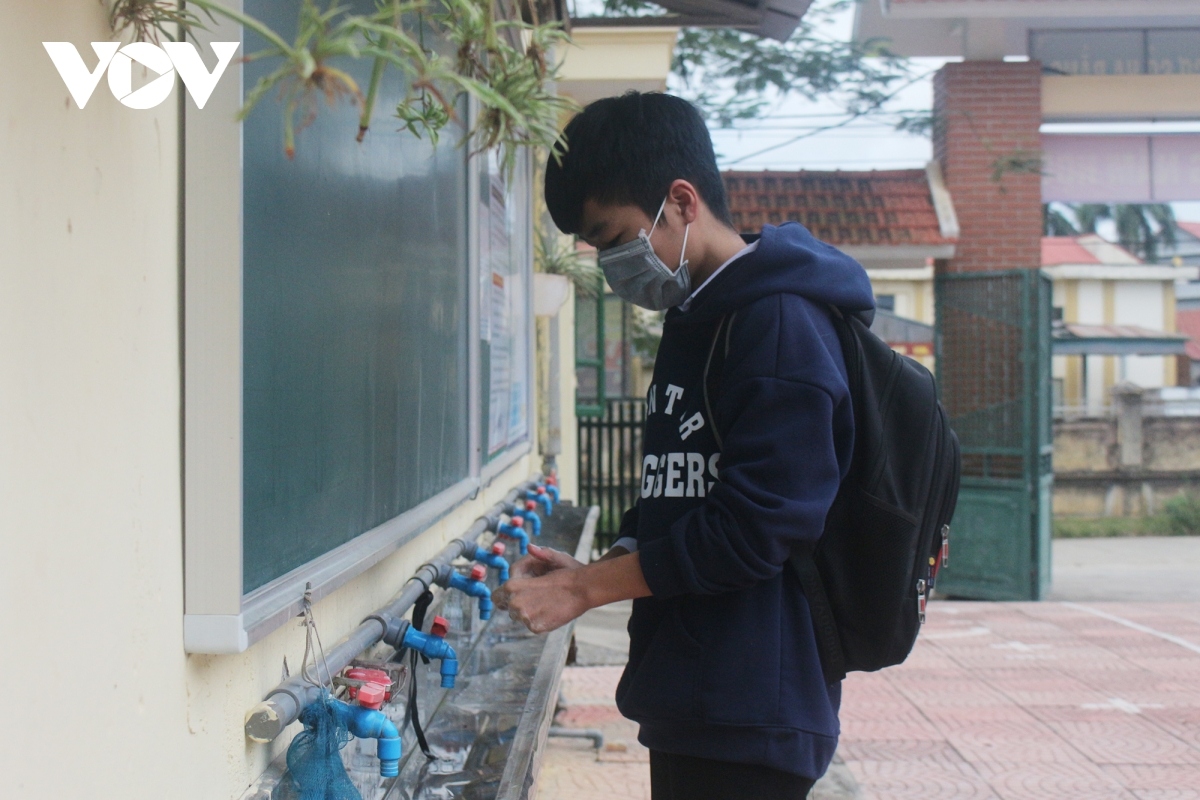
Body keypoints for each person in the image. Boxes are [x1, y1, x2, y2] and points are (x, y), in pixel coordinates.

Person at [492, 91, 875, 800]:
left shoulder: (778, 323)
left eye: (612, 237)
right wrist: (608, 561)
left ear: (681, 200)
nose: (609, 264)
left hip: (755, 700)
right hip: (697, 689)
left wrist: (586, 589)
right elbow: (684, 494)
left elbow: (759, 527)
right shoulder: (696, 316)